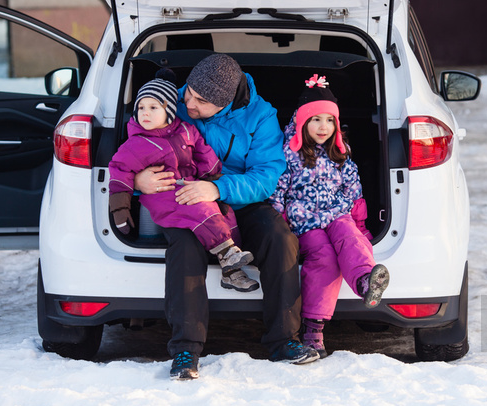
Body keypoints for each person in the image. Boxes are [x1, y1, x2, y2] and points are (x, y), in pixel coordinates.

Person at [133, 54, 319, 380]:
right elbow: (133, 148)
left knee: (280, 239)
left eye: (200, 101)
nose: (187, 102)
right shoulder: (169, 102)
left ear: (225, 102)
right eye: (188, 91)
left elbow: (265, 176)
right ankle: (186, 351)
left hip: (238, 198)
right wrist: (137, 182)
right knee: (186, 248)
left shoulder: (261, 116)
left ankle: (283, 341)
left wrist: (218, 189)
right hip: (183, 199)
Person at [269, 74, 390, 359]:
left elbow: (354, 186)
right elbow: (278, 190)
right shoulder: (288, 153)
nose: (323, 127)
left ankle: (364, 282)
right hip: (305, 221)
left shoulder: (341, 151)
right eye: (315, 120)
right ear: (302, 123)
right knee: (324, 257)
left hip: (336, 213)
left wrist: (356, 218)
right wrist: (278, 221)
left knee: (351, 238)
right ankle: (313, 331)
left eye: (329, 120)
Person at [108, 69, 259, 293]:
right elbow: (119, 171)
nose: (145, 114)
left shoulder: (186, 130)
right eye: (141, 107)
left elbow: (204, 153)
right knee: (201, 208)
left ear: (169, 111)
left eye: (153, 107)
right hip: (163, 194)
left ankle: (231, 271)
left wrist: (213, 178)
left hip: (187, 184)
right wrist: (120, 208)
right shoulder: (135, 144)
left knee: (223, 211)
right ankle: (227, 252)